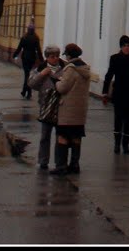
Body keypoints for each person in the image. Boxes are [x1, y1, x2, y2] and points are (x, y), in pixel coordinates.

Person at [50, 42, 95, 175]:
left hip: (68, 109)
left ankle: (61, 166)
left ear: (69, 55)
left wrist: (57, 82)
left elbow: (63, 87)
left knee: (62, 136)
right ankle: (74, 165)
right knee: (76, 137)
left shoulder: (71, 69)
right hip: (80, 109)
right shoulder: (85, 68)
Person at [102, 34, 129, 155]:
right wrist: (105, 92)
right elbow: (109, 75)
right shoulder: (114, 58)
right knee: (118, 119)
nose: (127, 48)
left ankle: (126, 144)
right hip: (119, 93)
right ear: (121, 47)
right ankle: (117, 143)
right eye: (125, 46)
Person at [28, 44, 64, 170]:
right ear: (47, 57)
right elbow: (31, 84)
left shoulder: (64, 68)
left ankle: (59, 162)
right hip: (46, 105)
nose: (55, 59)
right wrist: (42, 74)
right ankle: (43, 161)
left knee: (60, 136)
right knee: (45, 135)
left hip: (60, 105)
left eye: (57, 56)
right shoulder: (41, 68)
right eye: (52, 56)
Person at [13, 23, 42, 99]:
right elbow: (38, 50)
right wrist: (42, 59)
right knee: (28, 74)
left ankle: (26, 91)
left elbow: (19, 48)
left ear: (28, 30)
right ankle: (27, 92)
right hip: (32, 58)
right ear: (34, 30)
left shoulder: (24, 37)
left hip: (25, 57)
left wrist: (14, 55)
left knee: (27, 75)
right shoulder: (36, 38)